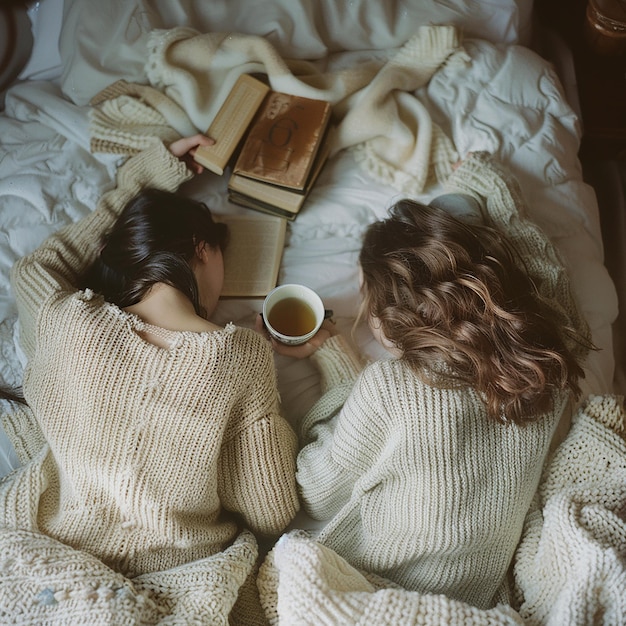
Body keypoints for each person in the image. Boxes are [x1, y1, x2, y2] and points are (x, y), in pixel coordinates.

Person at [268, 151, 593, 611]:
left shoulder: (388, 388)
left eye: (367, 296)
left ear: (389, 318)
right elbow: (540, 257)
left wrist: (333, 357)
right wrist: (482, 177)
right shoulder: (552, 345)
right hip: (476, 597)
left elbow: (317, 492)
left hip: (375, 586)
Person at [0, 134, 299, 587]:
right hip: (176, 576)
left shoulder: (66, 319)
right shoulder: (242, 358)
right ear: (202, 247)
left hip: (45, 550)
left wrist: (138, 182)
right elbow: (271, 510)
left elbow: (36, 267)